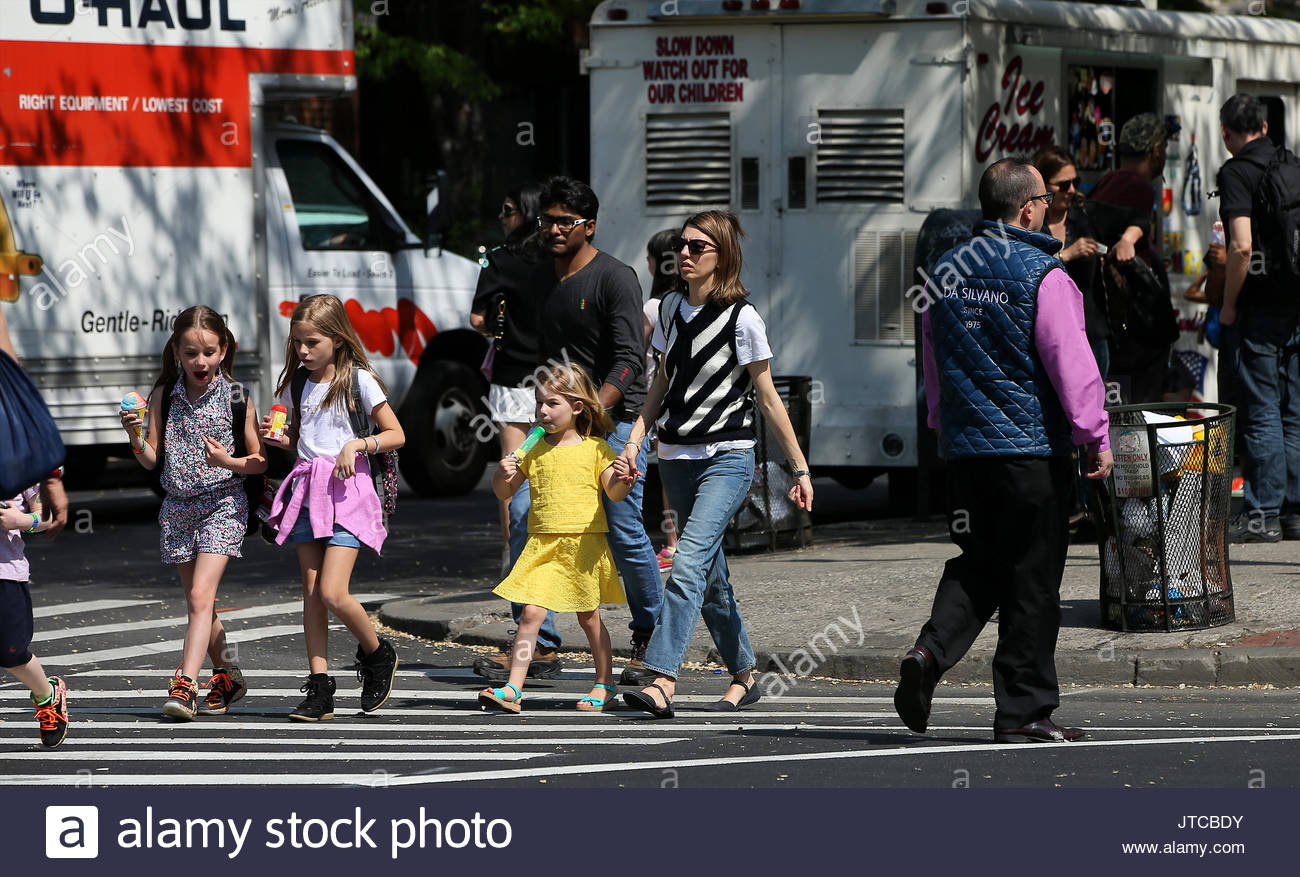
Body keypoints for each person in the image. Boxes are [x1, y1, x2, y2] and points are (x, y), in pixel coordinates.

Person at [897, 159, 1113, 744]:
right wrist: (1095, 436)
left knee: (981, 563)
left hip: (967, 456)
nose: (1050, 207)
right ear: (1026, 208)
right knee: (1033, 580)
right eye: (1046, 198)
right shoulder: (1045, 274)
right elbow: (1074, 366)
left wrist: (944, 427)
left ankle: (929, 652)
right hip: (1030, 453)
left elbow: (935, 366)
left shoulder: (943, 274)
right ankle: (1024, 711)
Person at [617, 210, 814, 718]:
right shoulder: (668, 311)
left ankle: (663, 678)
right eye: (682, 245)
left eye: (697, 247)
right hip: (676, 456)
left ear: (722, 256)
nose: (684, 254)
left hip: (728, 457)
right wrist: (636, 441)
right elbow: (658, 383)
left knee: (686, 564)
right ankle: (745, 674)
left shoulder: (743, 318)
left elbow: (768, 398)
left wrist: (800, 469)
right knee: (711, 577)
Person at [493, 175, 664, 689]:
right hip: (559, 419)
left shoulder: (616, 278)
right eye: (548, 220)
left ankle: (652, 635)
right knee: (523, 514)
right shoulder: (541, 278)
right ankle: (540, 644)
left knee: (623, 524)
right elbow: (536, 357)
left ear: (589, 225)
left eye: (566, 221)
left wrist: (594, 410)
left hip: (615, 420)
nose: (554, 229)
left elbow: (630, 360)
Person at [262, 294, 405, 722]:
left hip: (349, 493)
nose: (303, 351)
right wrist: (275, 437)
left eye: (312, 343)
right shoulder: (296, 383)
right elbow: (298, 439)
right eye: (298, 343)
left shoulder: (359, 381)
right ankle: (320, 687)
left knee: (331, 591)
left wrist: (358, 444)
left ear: (338, 340)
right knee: (311, 594)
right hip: (308, 491)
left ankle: (378, 653)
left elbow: (396, 433)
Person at [121, 306, 265, 720]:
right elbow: (151, 460)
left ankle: (185, 685)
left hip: (222, 504)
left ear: (224, 350)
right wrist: (133, 434)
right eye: (190, 353)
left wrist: (229, 463)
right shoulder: (165, 394)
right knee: (198, 602)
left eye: (208, 352)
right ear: (176, 352)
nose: (200, 361)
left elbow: (258, 460)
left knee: (201, 597)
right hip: (178, 508)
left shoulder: (237, 396)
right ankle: (227, 674)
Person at [478, 363, 631, 713]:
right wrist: (502, 474)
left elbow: (615, 492)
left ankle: (604, 682)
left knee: (588, 616)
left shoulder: (596, 449)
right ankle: (513, 687)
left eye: (552, 404)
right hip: (542, 544)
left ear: (577, 408)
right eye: (539, 404)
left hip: (582, 545)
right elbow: (505, 490)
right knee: (530, 614)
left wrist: (625, 480)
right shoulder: (532, 449)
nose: (542, 412)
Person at [1216, 94, 1300, 542]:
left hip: (1260, 306)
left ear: (1227, 132)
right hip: (1296, 304)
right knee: (1295, 409)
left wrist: (1229, 303)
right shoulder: (1293, 164)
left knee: (1262, 408)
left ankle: (1262, 514)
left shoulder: (1236, 172)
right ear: (1265, 128)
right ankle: (1294, 512)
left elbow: (1242, 246)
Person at [469, 183, 547, 575]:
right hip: (558, 375)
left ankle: (514, 557)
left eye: (507, 211)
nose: (501, 218)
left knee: (512, 467)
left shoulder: (497, 259)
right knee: (558, 462)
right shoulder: (557, 255)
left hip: (513, 375)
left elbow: (477, 320)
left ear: (526, 213)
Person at [1088, 113, 1177, 404]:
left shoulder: (1106, 181)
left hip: (1114, 324)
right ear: (1156, 151)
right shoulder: (1137, 188)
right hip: (1136, 329)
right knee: (1140, 414)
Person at [0, 485, 68, 746]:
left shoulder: (21, 464)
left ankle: (47, 695)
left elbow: (48, 515)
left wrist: (20, 520)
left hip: (5, 572)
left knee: (10, 652)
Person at [1033, 146, 1108, 377]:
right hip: (1049, 339)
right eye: (1064, 185)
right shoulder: (1032, 222)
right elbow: (1027, 271)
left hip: (1091, 337)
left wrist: (1127, 239)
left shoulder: (1085, 214)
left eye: (1075, 181)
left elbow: (1137, 218)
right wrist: (1066, 255)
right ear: (1043, 187)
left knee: (1094, 410)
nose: (1072, 190)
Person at [643, 228, 680, 570]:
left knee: (668, 473)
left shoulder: (654, 307)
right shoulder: (687, 302)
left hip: (659, 398)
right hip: (684, 398)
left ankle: (672, 544)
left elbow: (636, 352)